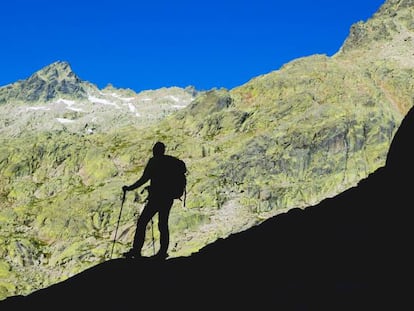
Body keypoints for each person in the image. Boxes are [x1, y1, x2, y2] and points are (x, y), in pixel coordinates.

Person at [122, 141, 186, 260]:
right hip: (167, 198)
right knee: (163, 224)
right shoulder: (170, 162)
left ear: (155, 150)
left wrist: (129, 188)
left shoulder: (154, 162)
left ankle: (136, 250)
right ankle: (162, 252)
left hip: (156, 198)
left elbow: (143, 179)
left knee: (142, 222)